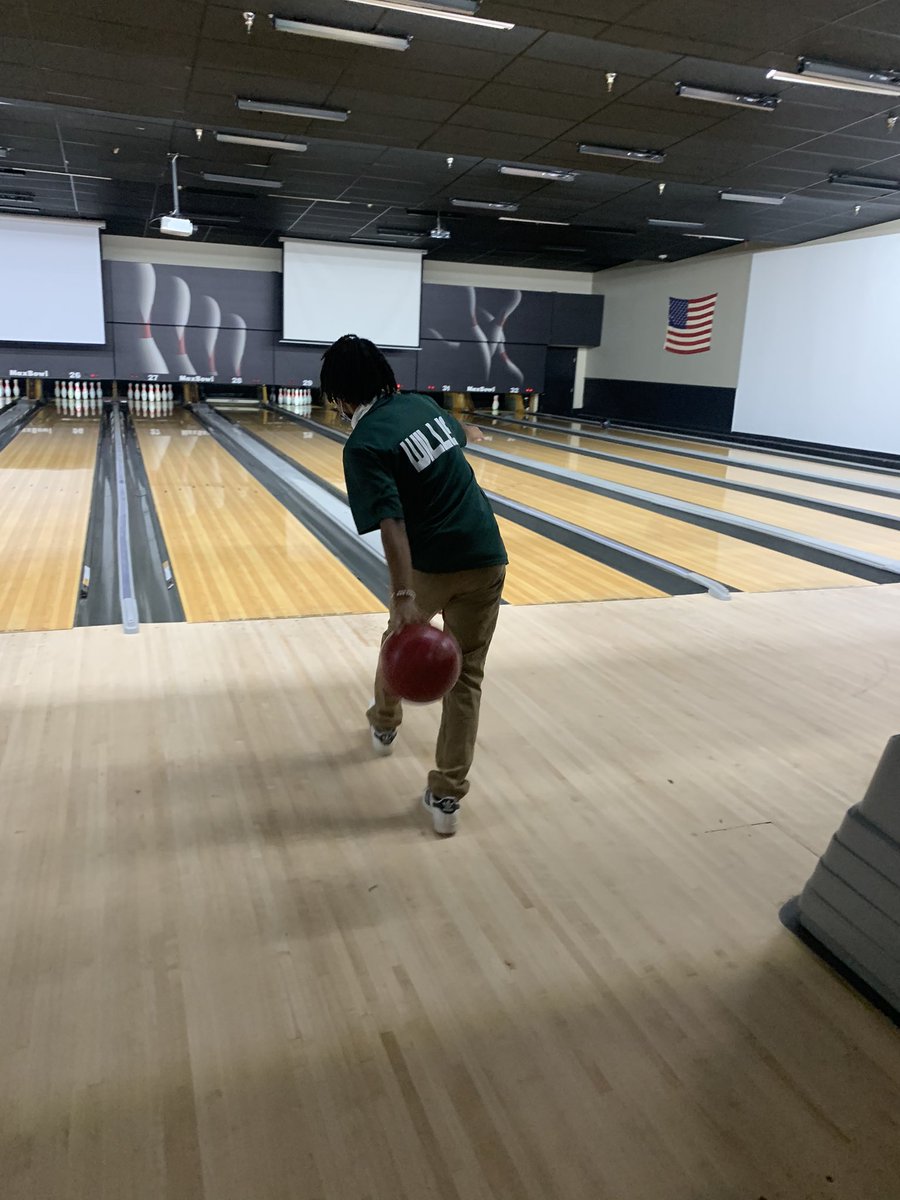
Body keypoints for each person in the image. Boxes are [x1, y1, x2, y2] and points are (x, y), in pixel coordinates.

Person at [320, 334, 507, 837]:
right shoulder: (423, 405)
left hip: (433, 565)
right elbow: (454, 437)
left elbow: (392, 522)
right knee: (467, 677)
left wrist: (403, 596)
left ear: (338, 396)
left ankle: (384, 721)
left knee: (397, 641)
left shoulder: (363, 445)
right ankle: (446, 798)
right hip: (488, 558)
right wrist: (464, 426)